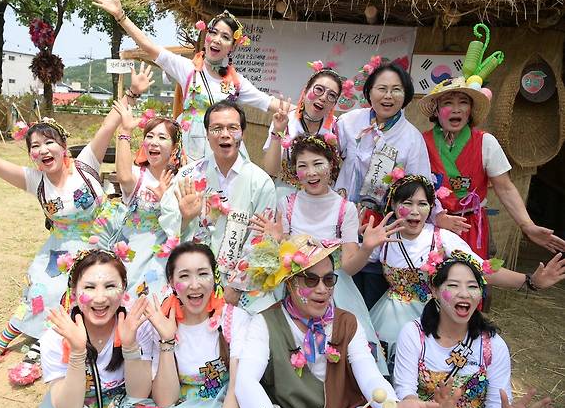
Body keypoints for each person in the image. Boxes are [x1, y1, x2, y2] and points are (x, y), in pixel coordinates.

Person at [0, 70, 149, 384]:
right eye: (35, 146)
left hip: (104, 240)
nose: (42, 150)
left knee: (71, 287)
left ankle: (43, 345)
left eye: (49, 143)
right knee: (40, 283)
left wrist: (134, 93)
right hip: (61, 246)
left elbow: (112, 121)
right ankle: (10, 335)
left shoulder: (85, 164)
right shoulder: (35, 181)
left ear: (64, 146)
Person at [348, 175, 565, 370]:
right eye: (407, 203)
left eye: (422, 204)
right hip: (389, 316)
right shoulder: (382, 238)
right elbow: (350, 267)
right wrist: (360, 243)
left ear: (431, 207)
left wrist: (530, 281)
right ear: (393, 205)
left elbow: (483, 270)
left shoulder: (443, 238)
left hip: (435, 315)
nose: (415, 211)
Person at [235, 234, 439, 408]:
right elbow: (246, 383)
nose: (323, 289)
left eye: (329, 279)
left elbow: (369, 376)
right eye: (311, 280)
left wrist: (392, 407)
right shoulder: (264, 323)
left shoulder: (347, 323)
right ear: (290, 283)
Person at [250, 133, 394, 373]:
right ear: (295, 171)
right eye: (302, 166)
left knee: (339, 359)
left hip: (333, 290)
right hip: (292, 290)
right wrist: (277, 242)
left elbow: (347, 266)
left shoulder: (345, 209)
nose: (311, 172)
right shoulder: (287, 203)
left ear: (331, 165)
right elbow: (285, 259)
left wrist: (366, 248)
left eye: (318, 164)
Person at [91, 0, 287, 162]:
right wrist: (120, 16)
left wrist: (307, 107)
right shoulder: (187, 68)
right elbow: (148, 46)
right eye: (213, 32)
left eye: (225, 37)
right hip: (189, 149)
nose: (217, 40)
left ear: (233, 47)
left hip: (224, 149)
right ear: (206, 35)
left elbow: (269, 102)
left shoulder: (237, 83)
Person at [333, 62, 470, 309]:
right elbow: (330, 161)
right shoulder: (348, 122)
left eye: (396, 89)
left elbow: (422, 184)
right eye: (381, 88)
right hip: (342, 219)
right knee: (338, 284)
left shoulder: (411, 138)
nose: (388, 96)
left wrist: (437, 215)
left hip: (382, 226)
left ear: (405, 94)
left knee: (369, 295)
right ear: (369, 92)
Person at [394, 250, 555, 408]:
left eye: (472, 286)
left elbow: (496, 406)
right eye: (454, 285)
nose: (465, 294)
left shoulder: (492, 345)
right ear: (434, 290)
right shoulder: (414, 335)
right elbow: (405, 392)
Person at [418, 76, 565, 258]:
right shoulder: (421, 143)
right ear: (437, 110)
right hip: (433, 224)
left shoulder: (485, 142)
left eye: (463, 103)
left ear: (470, 110)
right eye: (448, 103)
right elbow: (414, 189)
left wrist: (527, 225)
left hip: (471, 224)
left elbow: (505, 187)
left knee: (471, 279)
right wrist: (437, 216)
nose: (456, 109)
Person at [159, 100, 276, 312]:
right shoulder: (188, 175)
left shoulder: (261, 182)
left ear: (243, 133)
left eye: (233, 127)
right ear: (207, 134)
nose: (225, 134)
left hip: (241, 285)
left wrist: (236, 286)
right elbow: (168, 221)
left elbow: (261, 240)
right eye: (217, 128)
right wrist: (185, 218)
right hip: (193, 281)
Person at [132, 242, 251, 408]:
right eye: (184, 276)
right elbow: (165, 402)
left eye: (203, 274)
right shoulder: (161, 324)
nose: (194, 285)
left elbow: (237, 386)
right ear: (172, 282)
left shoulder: (234, 320)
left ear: (215, 277)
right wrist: (167, 340)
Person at [36, 249, 154, 408]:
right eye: (89, 287)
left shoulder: (138, 326)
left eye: (110, 286)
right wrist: (77, 354)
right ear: (74, 292)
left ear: (123, 289)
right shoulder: (56, 337)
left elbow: (139, 395)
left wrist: (130, 347)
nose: (100, 298)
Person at [113, 98, 183, 300]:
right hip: (131, 251)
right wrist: (125, 131)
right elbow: (124, 176)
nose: (153, 142)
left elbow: (183, 225)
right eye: (149, 136)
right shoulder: (138, 175)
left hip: (163, 256)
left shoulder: (181, 180)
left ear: (174, 146)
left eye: (162, 137)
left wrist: (166, 200)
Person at [262, 64, 344, 199]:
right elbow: (271, 170)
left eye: (331, 96)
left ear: (333, 104)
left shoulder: (337, 127)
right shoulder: (285, 120)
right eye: (319, 89)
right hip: (285, 195)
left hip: (321, 198)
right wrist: (278, 131)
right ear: (305, 91)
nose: (323, 98)